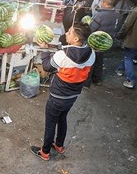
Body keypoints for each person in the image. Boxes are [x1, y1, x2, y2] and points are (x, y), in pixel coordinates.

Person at [30, 24, 95, 161]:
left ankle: (45, 152)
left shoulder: (62, 55)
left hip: (57, 96)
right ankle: (59, 145)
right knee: (62, 118)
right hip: (73, 96)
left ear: (76, 39)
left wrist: (44, 49)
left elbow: (47, 67)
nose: (66, 33)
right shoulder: (91, 53)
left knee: (50, 123)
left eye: (70, 32)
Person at [85, 0, 118, 87]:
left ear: (103, 2)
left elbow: (91, 29)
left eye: (101, 1)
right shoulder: (117, 15)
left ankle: (86, 82)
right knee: (99, 61)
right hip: (105, 44)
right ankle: (97, 80)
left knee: (90, 61)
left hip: (94, 43)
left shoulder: (99, 15)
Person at [115, 6, 137, 89]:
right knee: (129, 56)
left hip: (132, 39)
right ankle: (120, 69)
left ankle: (129, 80)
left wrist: (119, 35)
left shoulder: (135, 11)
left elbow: (126, 24)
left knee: (128, 57)